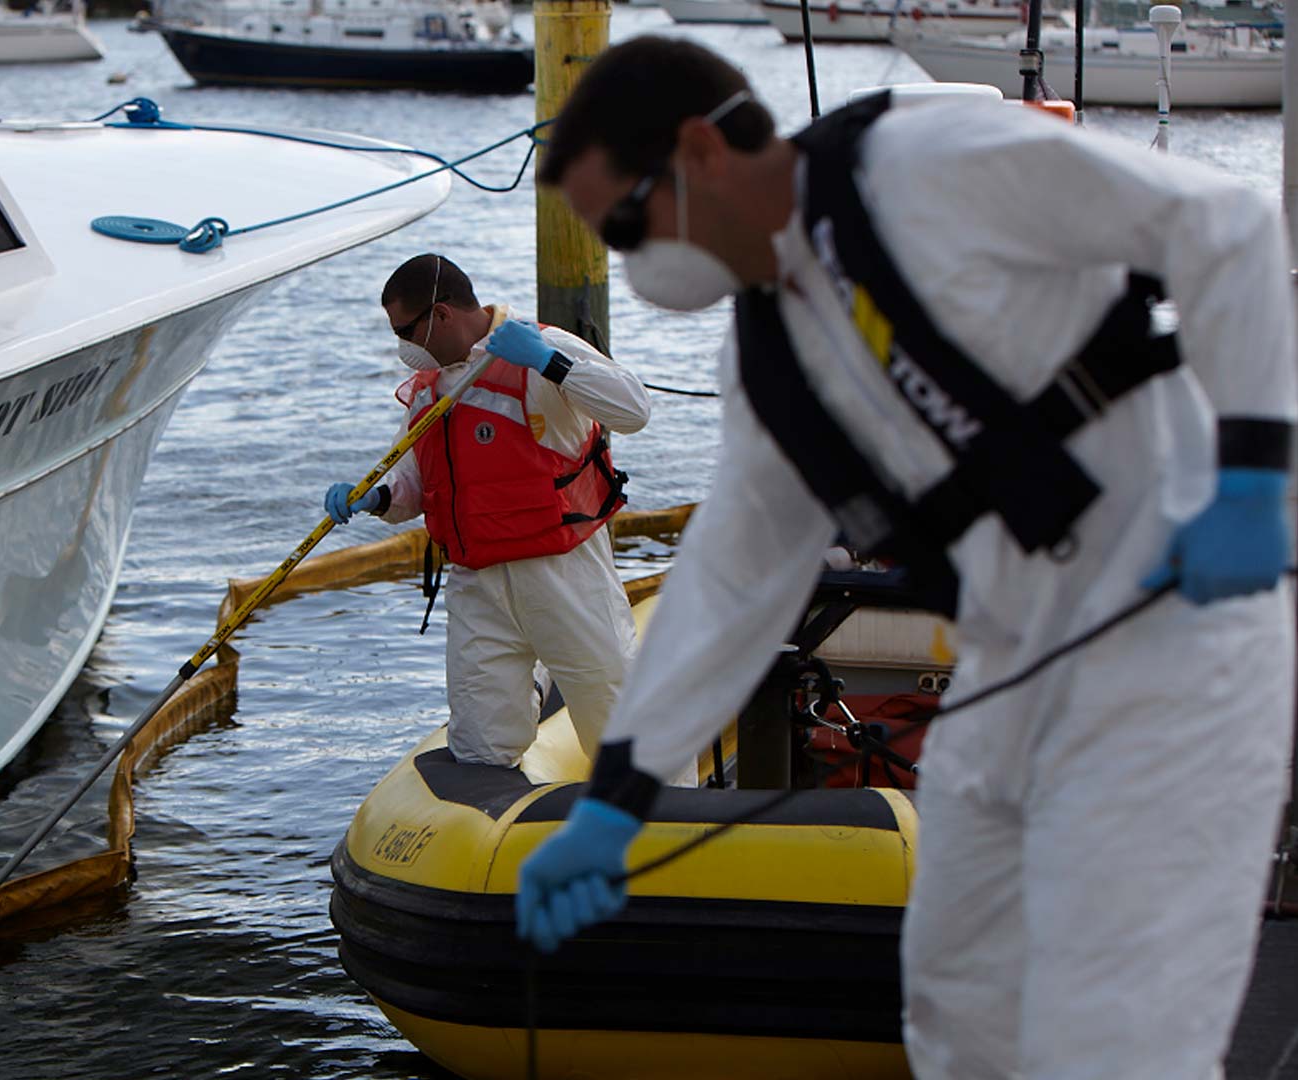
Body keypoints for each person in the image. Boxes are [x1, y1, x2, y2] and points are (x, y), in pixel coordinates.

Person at [513, 36, 1296, 1080]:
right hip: (1009, 671)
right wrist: (618, 795)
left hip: (1174, 647)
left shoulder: (931, 157)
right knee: (955, 1003)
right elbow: (733, 582)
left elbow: (1221, 224)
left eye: (623, 222)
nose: (628, 260)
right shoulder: (765, 362)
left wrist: (1253, 475)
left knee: (1115, 1040)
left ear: (700, 150)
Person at [324, 254, 652, 767]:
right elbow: (412, 478)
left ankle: (667, 813)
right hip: (476, 579)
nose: (404, 346)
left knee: (615, 710)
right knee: (480, 743)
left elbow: (633, 409)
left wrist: (548, 362)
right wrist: (377, 496)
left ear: (442, 314)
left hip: (562, 573)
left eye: (407, 330)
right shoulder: (430, 387)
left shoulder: (541, 346)